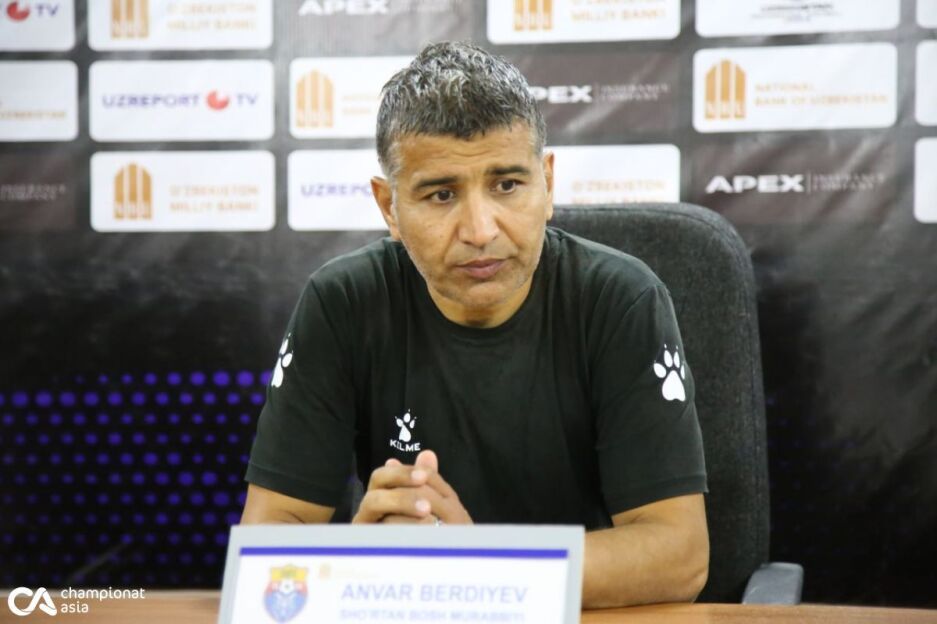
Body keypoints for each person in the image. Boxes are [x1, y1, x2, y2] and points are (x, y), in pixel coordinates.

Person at [241, 41, 709, 608]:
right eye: (441, 194)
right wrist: (358, 559)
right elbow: (269, 544)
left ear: (547, 184)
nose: (481, 229)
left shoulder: (622, 300)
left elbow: (679, 554)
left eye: (507, 185)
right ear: (389, 207)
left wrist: (474, 563)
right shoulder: (342, 303)